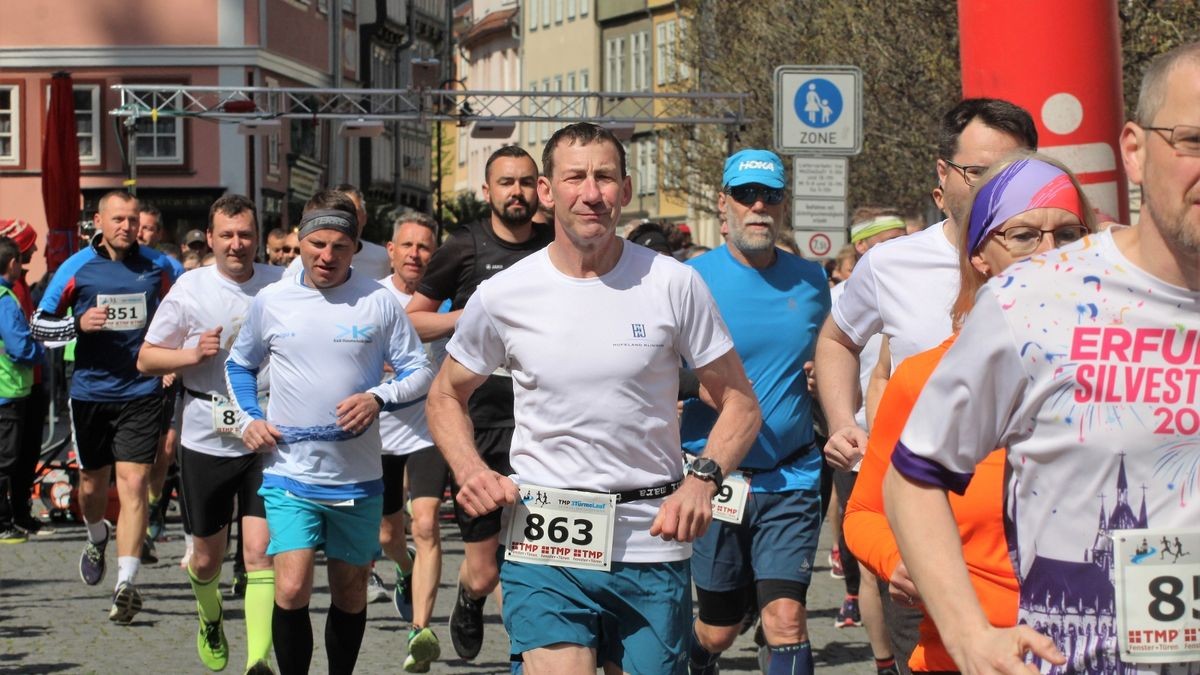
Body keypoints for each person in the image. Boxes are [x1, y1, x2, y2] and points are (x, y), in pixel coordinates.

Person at [885, 41, 1200, 674]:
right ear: (1135, 151)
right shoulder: (1035, 298)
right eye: (1194, 140)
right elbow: (913, 477)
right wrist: (970, 636)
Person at [426, 122, 761, 675]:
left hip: (652, 535)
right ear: (548, 192)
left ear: (625, 191)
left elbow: (741, 404)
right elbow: (445, 395)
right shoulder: (505, 294)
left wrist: (703, 478)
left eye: (604, 177)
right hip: (546, 535)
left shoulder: (673, 283)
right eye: (575, 177)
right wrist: (469, 470)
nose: (591, 192)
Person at [845, 154, 1095, 673]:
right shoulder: (926, 378)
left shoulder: (1136, 373)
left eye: (1069, 235)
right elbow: (865, 513)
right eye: (1024, 235)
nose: (1051, 254)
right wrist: (900, 562)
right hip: (964, 657)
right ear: (981, 255)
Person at [815, 98, 1037, 669]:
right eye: (979, 171)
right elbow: (838, 340)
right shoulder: (893, 264)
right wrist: (844, 423)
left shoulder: (1069, 257)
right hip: (925, 526)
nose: (997, 186)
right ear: (943, 174)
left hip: (1038, 529)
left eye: (1013, 171)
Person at [225, 198, 433, 675]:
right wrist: (251, 419)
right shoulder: (272, 300)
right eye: (317, 244)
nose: (326, 255)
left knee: (350, 589)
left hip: (356, 477)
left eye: (340, 246)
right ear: (299, 240)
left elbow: (418, 369)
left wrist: (378, 397)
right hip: (290, 472)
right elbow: (239, 364)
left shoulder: (377, 300)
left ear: (355, 250)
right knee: (292, 587)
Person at [681, 149, 831, 675]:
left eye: (770, 196)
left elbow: (836, 353)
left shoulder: (812, 281)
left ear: (783, 205)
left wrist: (824, 377)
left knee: (786, 620)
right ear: (724, 204)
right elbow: (649, 364)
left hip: (791, 472)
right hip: (714, 477)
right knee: (717, 629)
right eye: (746, 195)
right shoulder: (687, 279)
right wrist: (692, 384)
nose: (758, 206)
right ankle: (697, 659)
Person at [405, 144, 551, 660]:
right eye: (507, 182)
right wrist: (468, 317)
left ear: (542, 189)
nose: (518, 191)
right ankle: (469, 597)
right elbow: (414, 319)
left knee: (537, 553)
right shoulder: (464, 245)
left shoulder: (558, 246)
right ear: (486, 192)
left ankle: (533, 653)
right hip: (480, 422)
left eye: (527, 182)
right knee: (486, 566)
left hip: (545, 423)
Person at [137, 194, 283, 674]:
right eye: (227, 235)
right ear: (211, 237)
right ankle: (210, 615)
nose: (236, 245)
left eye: (245, 235)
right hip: (206, 434)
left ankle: (257, 659)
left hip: (266, 434)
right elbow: (147, 358)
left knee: (261, 554)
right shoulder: (189, 288)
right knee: (205, 560)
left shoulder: (281, 284)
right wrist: (190, 357)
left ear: (257, 237)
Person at [31, 190, 180, 623]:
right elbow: (39, 325)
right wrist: (77, 324)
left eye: (133, 220)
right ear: (99, 221)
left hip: (141, 391)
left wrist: (173, 354)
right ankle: (97, 535)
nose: (126, 227)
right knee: (93, 486)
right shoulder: (76, 267)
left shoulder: (158, 266)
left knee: (133, 485)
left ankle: (126, 584)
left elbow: (183, 309)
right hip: (91, 393)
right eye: (118, 219)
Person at [374, 211, 445, 672]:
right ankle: (403, 569)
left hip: (427, 429)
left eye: (424, 247)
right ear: (391, 250)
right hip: (377, 434)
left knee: (427, 524)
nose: (416, 255)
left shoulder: (445, 299)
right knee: (388, 535)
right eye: (408, 246)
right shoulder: (370, 298)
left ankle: (420, 630)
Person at [0, 219, 48, 537]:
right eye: (28, 248)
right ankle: (8, 518)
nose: (33, 251)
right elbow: (19, 344)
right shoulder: (7, 295)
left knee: (18, 455)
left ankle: (15, 514)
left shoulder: (16, 289)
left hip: (19, 384)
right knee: (9, 458)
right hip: (13, 387)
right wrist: (40, 349)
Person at [284, 184, 392, 281]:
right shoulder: (299, 266)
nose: (327, 257)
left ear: (364, 217)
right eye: (319, 244)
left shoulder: (381, 257)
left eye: (353, 211)